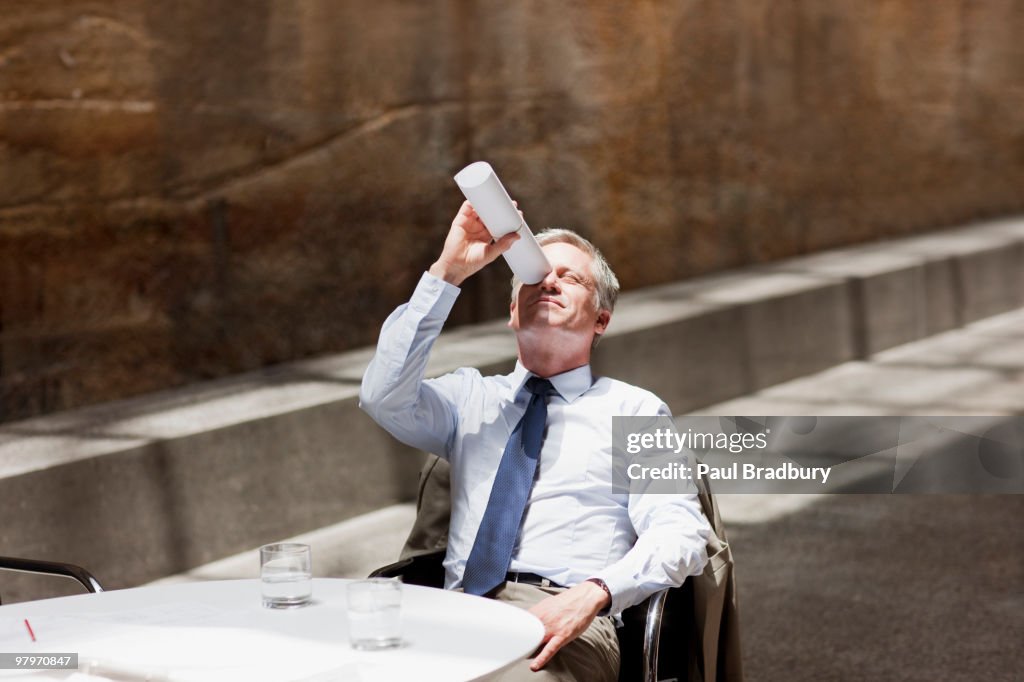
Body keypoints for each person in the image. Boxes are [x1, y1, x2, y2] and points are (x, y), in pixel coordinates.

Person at [360, 201, 711, 681]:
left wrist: (593, 594)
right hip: (452, 610)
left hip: (561, 618)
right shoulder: (469, 397)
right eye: (536, 274)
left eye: (571, 279)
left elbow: (680, 533)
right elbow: (382, 397)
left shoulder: (635, 410)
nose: (548, 281)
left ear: (601, 319)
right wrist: (448, 272)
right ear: (511, 312)